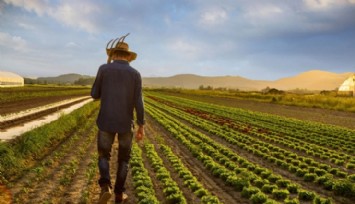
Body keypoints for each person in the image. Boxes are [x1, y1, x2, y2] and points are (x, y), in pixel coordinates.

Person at [91, 34, 145, 204]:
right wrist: (141, 125)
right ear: (128, 57)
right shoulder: (135, 74)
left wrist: (104, 77)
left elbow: (94, 94)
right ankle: (119, 195)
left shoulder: (104, 69)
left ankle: (105, 186)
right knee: (124, 159)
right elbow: (139, 102)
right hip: (125, 124)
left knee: (103, 155)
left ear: (113, 55)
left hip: (105, 121)